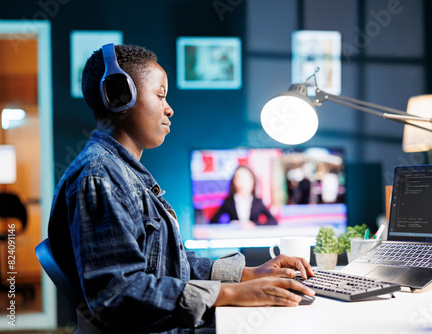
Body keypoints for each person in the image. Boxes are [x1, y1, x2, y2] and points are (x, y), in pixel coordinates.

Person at [47, 44, 314, 334]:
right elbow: (118, 295)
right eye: (160, 95)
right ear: (119, 97)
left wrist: (248, 275)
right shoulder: (101, 178)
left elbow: (167, 262)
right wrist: (232, 295)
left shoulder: (121, 172)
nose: (169, 108)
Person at [210, 165, 277, 225]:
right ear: (234, 182)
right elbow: (213, 221)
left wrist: (254, 224)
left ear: (252, 181)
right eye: (239, 178)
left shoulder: (258, 202)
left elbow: (273, 221)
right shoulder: (228, 202)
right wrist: (230, 225)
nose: (242, 182)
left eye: (246, 178)